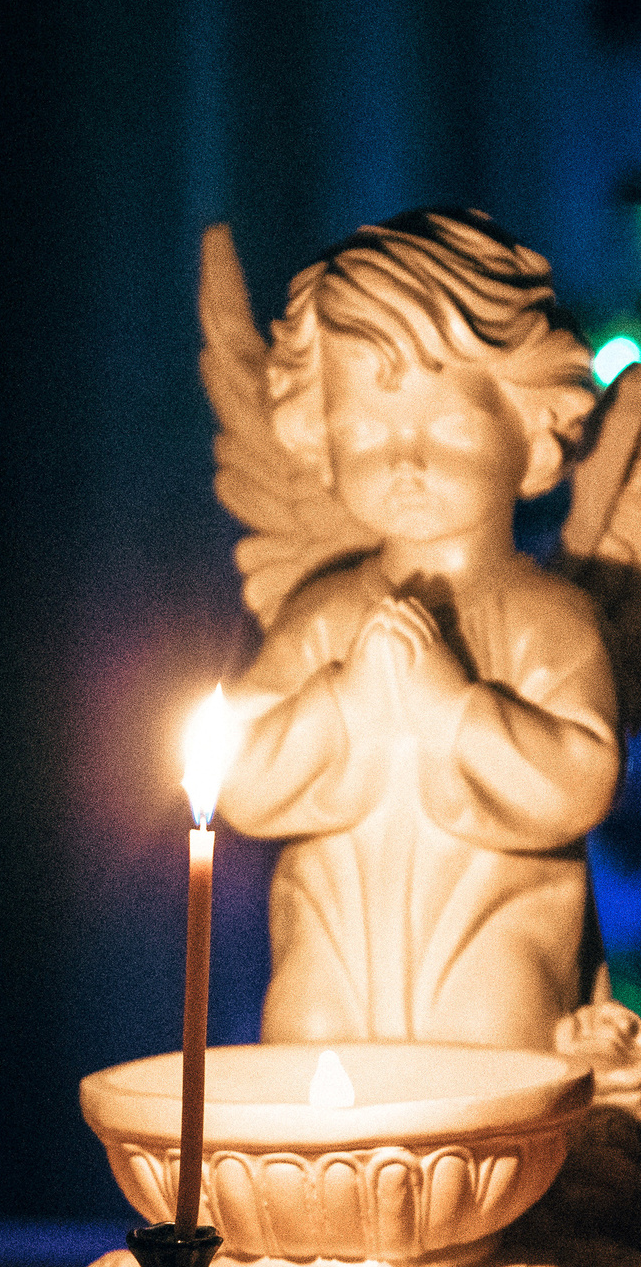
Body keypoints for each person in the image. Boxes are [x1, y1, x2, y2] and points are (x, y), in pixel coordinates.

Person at [217, 209, 620, 1050]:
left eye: (448, 427)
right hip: (334, 944)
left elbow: (580, 781)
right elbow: (238, 780)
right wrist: (340, 702)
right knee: (304, 1050)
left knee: (492, 1063)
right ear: (317, 440)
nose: (403, 460)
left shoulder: (552, 617)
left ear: (534, 430)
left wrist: (455, 709)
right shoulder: (324, 615)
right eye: (362, 431)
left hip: (491, 950)